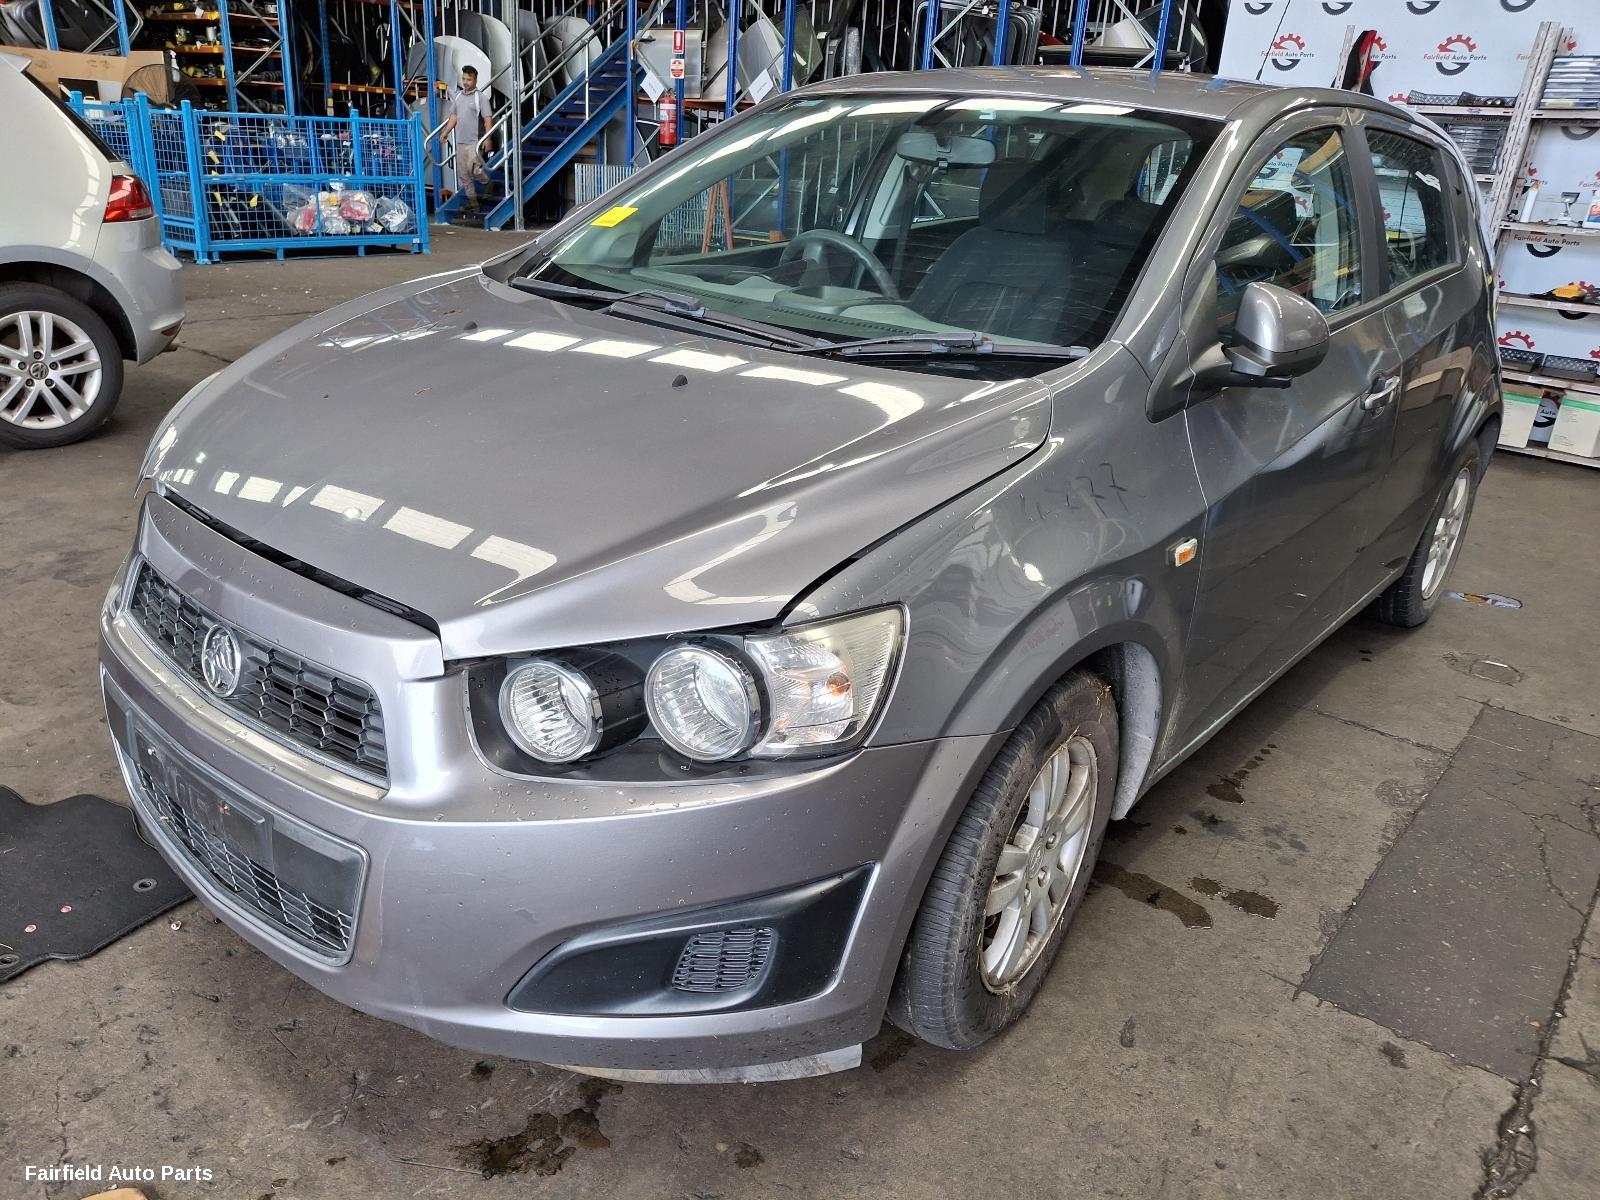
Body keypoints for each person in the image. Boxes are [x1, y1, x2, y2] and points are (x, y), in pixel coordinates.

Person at [440, 66, 492, 212]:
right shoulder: (458, 97)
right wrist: (445, 132)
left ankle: (487, 182)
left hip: (474, 141)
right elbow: (454, 116)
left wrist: (488, 138)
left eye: (469, 79)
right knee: (463, 173)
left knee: (474, 170)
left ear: (475, 80)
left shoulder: (480, 98)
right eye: (464, 79)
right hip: (460, 141)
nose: (465, 82)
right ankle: (473, 201)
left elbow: (487, 118)